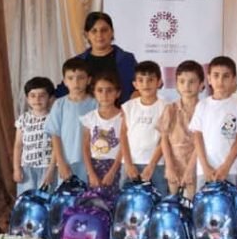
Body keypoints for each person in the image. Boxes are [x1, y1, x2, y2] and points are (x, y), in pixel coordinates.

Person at [189, 56, 237, 187]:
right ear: (209, 79)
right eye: (216, 75)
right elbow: (197, 138)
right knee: (204, 200)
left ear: (234, 80)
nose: (220, 81)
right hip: (205, 171)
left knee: (229, 200)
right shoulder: (202, 106)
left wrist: (226, 166)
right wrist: (205, 166)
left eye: (226, 76)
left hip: (230, 170)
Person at [56, 12, 138, 105]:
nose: (99, 35)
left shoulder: (126, 59)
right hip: (85, 113)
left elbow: (139, 86)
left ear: (112, 32)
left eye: (104, 30)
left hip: (120, 112)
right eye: (94, 31)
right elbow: (63, 91)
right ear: (86, 35)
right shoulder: (78, 62)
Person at [46, 58, 97, 184]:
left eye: (81, 78)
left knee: (88, 194)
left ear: (88, 80)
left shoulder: (95, 103)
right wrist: (61, 162)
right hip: (66, 161)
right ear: (64, 81)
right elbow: (55, 135)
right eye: (70, 78)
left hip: (90, 161)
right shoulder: (59, 104)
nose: (76, 82)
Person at [120, 61, 167, 193]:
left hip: (156, 164)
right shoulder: (128, 107)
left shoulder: (166, 107)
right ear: (135, 84)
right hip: (131, 164)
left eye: (150, 80)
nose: (146, 84)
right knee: (127, 201)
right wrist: (128, 163)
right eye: (141, 80)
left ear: (159, 82)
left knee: (158, 199)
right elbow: (123, 135)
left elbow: (164, 139)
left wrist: (151, 165)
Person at [159, 60, 203, 197]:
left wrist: (190, 169)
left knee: (194, 203)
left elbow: (202, 142)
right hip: (174, 165)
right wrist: (169, 167)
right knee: (174, 204)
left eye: (192, 82)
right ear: (176, 85)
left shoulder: (205, 110)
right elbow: (164, 140)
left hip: (197, 165)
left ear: (201, 84)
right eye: (182, 81)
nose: (186, 86)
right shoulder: (170, 109)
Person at [79, 72, 124, 199]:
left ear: (118, 93)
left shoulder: (123, 117)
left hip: (116, 165)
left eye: (109, 90)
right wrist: (91, 172)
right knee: (95, 202)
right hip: (94, 166)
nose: (104, 95)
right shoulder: (90, 117)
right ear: (94, 93)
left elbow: (123, 146)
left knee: (114, 202)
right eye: (100, 90)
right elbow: (85, 146)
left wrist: (113, 171)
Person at [13, 77, 56, 194]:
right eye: (32, 95)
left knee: (46, 199)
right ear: (27, 98)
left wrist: (51, 170)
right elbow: (18, 145)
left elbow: (57, 147)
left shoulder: (54, 119)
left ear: (50, 98)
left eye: (42, 95)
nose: (37, 99)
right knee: (27, 199)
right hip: (27, 169)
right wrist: (16, 168)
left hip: (48, 167)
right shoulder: (23, 119)